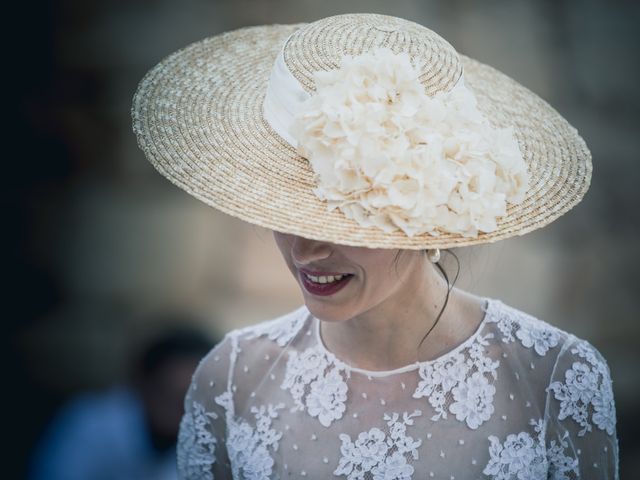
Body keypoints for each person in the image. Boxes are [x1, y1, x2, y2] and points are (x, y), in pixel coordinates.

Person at [132, 13, 619, 479]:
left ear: (422, 208)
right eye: (287, 215)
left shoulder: (554, 378)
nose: (305, 251)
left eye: (344, 219)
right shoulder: (232, 379)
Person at [29, 326, 214, 480]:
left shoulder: (208, 438)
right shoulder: (91, 422)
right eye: (171, 394)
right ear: (143, 384)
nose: (181, 407)